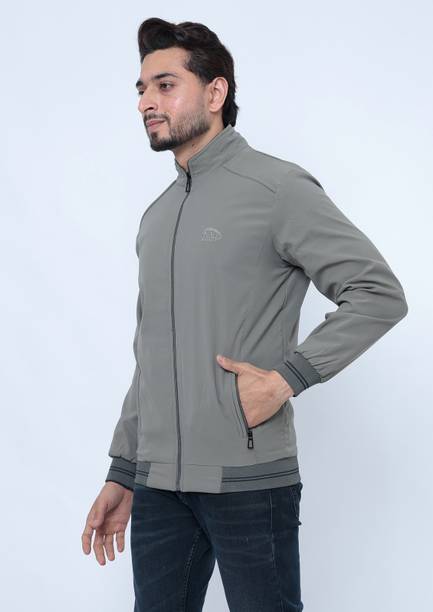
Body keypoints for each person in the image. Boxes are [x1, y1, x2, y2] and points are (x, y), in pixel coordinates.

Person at [81, 17, 408, 612]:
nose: (147, 102)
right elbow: (150, 354)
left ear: (215, 92)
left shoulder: (276, 188)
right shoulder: (157, 217)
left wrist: (287, 378)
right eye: (142, 89)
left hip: (249, 484)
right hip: (158, 488)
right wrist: (123, 469)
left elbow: (377, 291)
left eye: (165, 85)